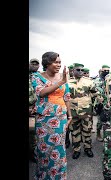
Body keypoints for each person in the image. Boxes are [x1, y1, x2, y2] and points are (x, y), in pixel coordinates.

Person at [31, 51, 71, 179]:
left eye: (60, 62)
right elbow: (41, 93)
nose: (59, 65)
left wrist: (70, 116)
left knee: (59, 149)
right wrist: (61, 82)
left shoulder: (63, 76)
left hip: (61, 119)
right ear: (47, 63)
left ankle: (59, 176)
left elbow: (67, 97)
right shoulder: (37, 77)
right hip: (45, 120)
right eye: (55, 62)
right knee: (45, 150)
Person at [68, 63, 97, 159]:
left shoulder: (89, 81)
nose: (81, 72)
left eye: (82, 70)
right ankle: (76, 150)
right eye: (78, 70)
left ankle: (88, 148)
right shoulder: (67, 81)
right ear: (73, 70)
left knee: (87, 131)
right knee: (75, 132)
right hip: (73, 112)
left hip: (86, 112)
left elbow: (95, 94)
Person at [93, 65, 110, 142]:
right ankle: (98, 133)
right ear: (101, 70)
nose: (106, 72)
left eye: (108, 70)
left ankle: (107, 134)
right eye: (105, 70)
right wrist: (98, 97)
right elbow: (94, 90)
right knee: (100, 120)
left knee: (108, 120)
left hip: (109, 102)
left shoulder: (110, 79)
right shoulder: (97, 80)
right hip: (100, 103)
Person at [29, 58, 40, 163]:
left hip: (34, 108)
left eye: (37, 64)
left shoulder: (39, 77)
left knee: (33, 133)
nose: (34, 65)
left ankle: (32, 153)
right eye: (32, 63)